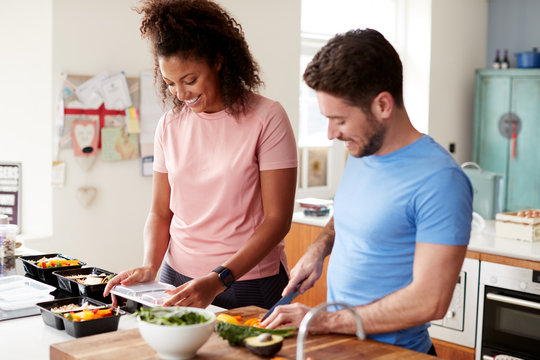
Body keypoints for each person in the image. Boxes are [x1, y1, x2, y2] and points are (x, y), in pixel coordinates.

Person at [262, 28, 473, 355]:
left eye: (339, 120)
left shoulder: (440, 179)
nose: (331, 133)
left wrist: (322, 321)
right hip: (343, 347)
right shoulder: (362, 152)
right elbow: (352, 212)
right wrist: (318, 249)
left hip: (395, 354)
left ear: (382, 105)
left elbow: (431, 301)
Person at [104, 0, 297, 310]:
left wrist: (219, 277)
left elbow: (277, 220)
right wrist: (150, 266)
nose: (181, 94)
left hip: (247, 281)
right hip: (174, 277)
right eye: (170, 83)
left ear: (218, 61)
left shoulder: (267, 117)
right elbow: (160, 211)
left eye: (190, 80)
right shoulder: (170, 124)